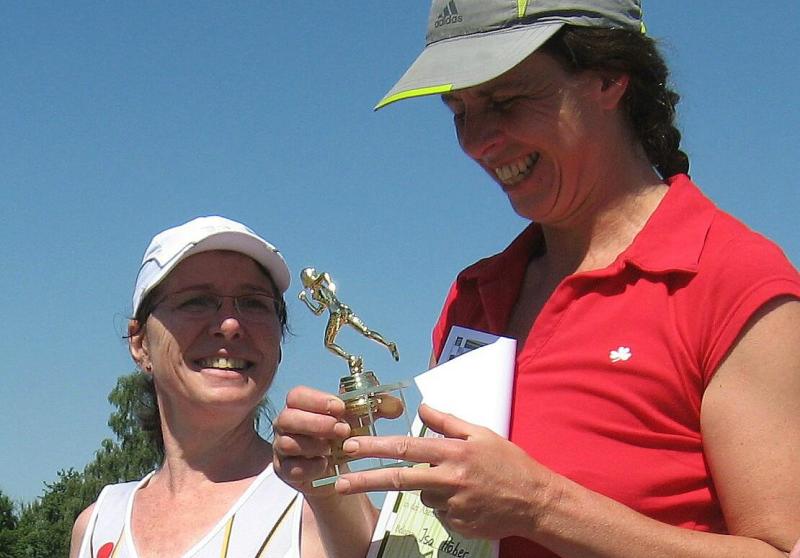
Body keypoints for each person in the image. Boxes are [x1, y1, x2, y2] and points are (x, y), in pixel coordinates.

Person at [275, 1, 800, 556]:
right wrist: (329, 482)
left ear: (609, 76)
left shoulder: (732, 282)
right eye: (459, 111)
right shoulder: (475, 296)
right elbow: (435, 545)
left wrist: (541, 506)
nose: (478, 141)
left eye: (505, 100)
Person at [69, 216, 376, 558]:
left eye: (254, 303)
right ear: (140, 343)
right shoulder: (98, 525)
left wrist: (330, 494)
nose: (230, 324)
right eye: (195, 301)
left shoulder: (320, 507)